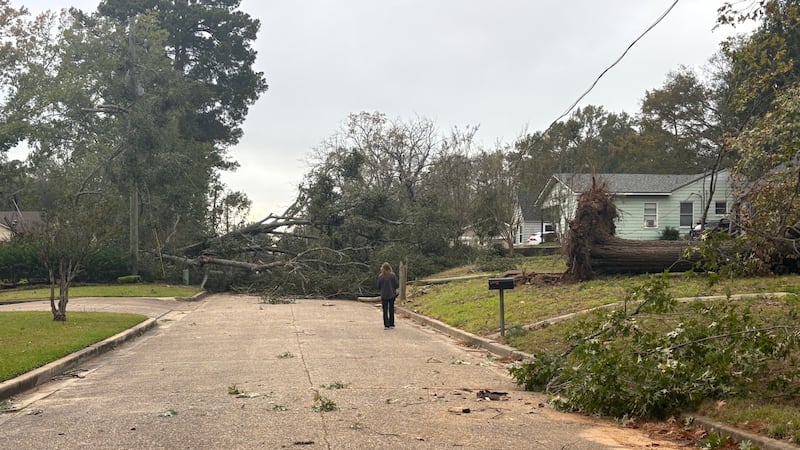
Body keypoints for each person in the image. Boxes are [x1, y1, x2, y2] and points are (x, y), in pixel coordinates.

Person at [377, 262, 399, 329]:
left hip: (384, 295)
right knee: (391, 309)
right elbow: (397, 284)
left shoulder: (381, 276)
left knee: (385, 310)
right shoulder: (393, 275)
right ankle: (391, 324)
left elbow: (378, 286)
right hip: (392, 294)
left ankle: (386, 325)